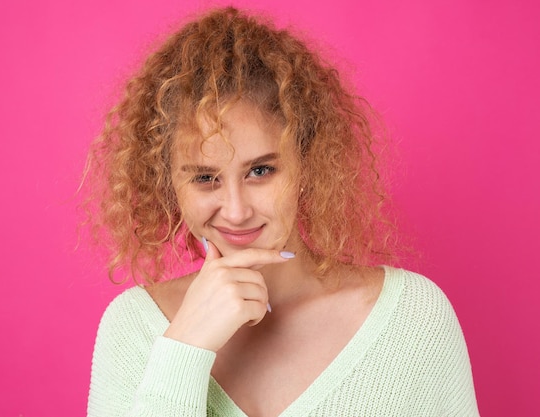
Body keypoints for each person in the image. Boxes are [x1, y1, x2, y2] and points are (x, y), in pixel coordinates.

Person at [85, 7, 479, 417]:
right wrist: (184, 348)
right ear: (169, 185)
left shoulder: (411, 321)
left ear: (306, 163)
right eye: (205, 178)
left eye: (261, 171)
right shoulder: (134, 328)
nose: (236, 212)